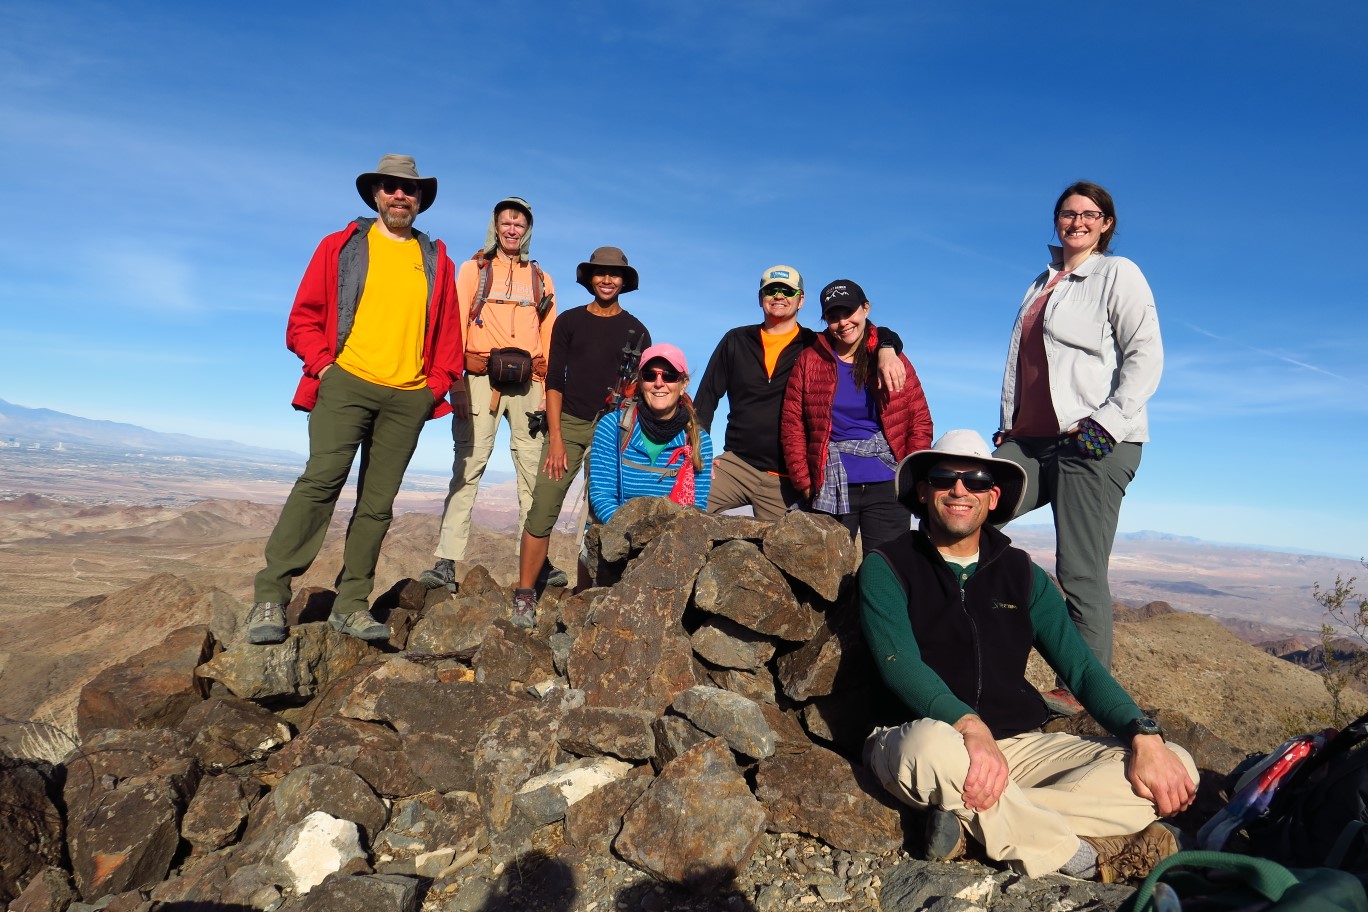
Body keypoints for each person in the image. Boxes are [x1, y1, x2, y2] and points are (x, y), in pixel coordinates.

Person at [859, 430, 1197, 883]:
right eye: (944, 478)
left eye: (976, 480)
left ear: (993, 497)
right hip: (922, 737)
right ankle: (1078, 854)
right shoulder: (887, 566)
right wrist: (969, 726)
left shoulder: (1022, 575)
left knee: (1173, 764)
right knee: (931, 752)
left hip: (1020, 748)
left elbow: (1080, 668)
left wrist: (1142, 735)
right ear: (923, 491)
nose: (961, 490)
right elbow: (899, 664)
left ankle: (975, 824)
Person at [246, 154, 463, 644]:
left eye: (409, 189)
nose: (399, 195)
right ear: (375, 194)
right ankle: (270, 597)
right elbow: (303, 315)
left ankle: (351, 604)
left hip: (408, 396)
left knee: (377, 504)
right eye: (390, 187)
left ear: (421, 199)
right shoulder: (343, 246)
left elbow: (449, 333)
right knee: (320, 482)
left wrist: (435, 387)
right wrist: (325, 365)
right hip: (346, 383)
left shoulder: (435, 260)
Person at [994, 181, 1163, 696]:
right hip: (1031, 439)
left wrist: (1107, 422)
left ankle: (1085, 689)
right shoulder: (1041, 282)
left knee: (1080, 569)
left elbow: (1145, 355)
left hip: (1093, 439)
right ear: (1056, 220)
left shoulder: (1117, 273)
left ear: (1106, 223)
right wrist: (1009, 418)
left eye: (1090, 214)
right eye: (1068, 213)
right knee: (970, 502)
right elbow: (1024, 364)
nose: (1078, 222)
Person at [418, 197, 566, 592]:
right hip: (480, 379)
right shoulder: (473, 270)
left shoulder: (542, 279)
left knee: (534, 476)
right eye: (506, 222)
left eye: (520, 223)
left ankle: (539, 561)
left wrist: (548, 390)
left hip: (530, 385)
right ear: (495, 227)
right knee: (468, 467)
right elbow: (454, 325)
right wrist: (457, 384)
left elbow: (550, 337)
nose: (513, 229)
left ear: (528, 230)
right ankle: (446, 559)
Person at [695, 265, 910, 522]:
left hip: (787, 480)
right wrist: (700, 456)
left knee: (787, 554)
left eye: (787, 290)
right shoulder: (735, 340)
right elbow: (706, 399)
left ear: (801, 300)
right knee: (680, 509)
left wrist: (887, 346)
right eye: (771, 290)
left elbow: (865, 331)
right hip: (736, 465)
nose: (778, 296)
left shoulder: (816, 346)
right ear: (760, 297)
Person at [512, 247, 651, 627]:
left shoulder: (638, 330)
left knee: (601, 515)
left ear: (624, 281)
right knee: (543, 507)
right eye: (600, 273)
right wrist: (555, 437)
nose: (607, 280)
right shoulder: (570, 321)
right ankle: (525, 595)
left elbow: (639, 390)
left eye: (614, 274)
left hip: (613, 429)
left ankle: (586, 594)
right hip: (568, 424)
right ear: (590, 278)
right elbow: (555, 380)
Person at [780, 280, 933, 555]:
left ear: (865, 309)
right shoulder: (809, 360)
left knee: (888, 568)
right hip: (831, 485)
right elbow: (792, 424)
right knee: (828, 575)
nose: (842, 323)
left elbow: (919, 419)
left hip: (889, 484)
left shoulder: (893, 358)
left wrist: (911, 474)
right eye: (833, 316)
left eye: (849, 312)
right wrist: (804, 481)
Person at [587, 342, 714, 523]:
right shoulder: (612, 427)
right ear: (640, 382)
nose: (659, 383)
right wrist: (630, 539)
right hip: (616, 534)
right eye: (649, 375)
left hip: (669, 541)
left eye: (669, 376)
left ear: (684, 384)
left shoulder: (699, 441)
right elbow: (602, 495)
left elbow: (696, 508)